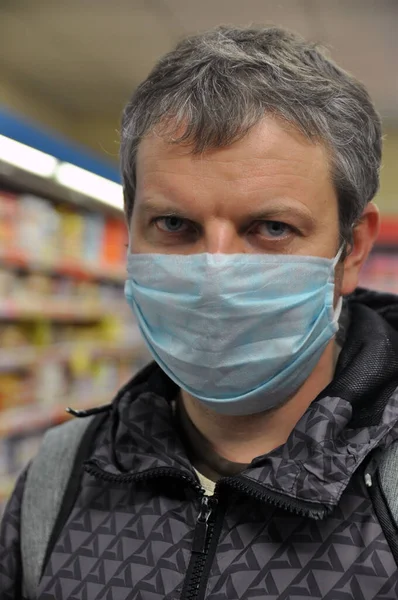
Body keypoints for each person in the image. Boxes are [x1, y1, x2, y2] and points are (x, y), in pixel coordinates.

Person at [1, 25, 398, 600]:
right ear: (131, 229)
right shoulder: (61, 476)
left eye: (271, 228)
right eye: (174, 225)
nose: (216, 275)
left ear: (353, 248)